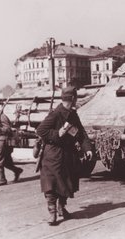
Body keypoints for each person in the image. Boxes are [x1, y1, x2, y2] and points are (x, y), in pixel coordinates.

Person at [36, 86, 93, 226]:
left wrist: (88, 148)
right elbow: (40, 130)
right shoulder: (55, 114)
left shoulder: (73, 114)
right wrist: (57, 134)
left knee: (66, 182)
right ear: (73, 99)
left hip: (68, 154)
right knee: (51, 184)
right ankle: (52, 213)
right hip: (53, 154)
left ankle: (62, 207)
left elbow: (81, 133)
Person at [0, 101, 23, 187]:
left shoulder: (2, 116)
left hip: (3, 140)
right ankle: (17, 170)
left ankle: (2, 179)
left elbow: (9, 129)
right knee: (5, 161)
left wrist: (0, 129)